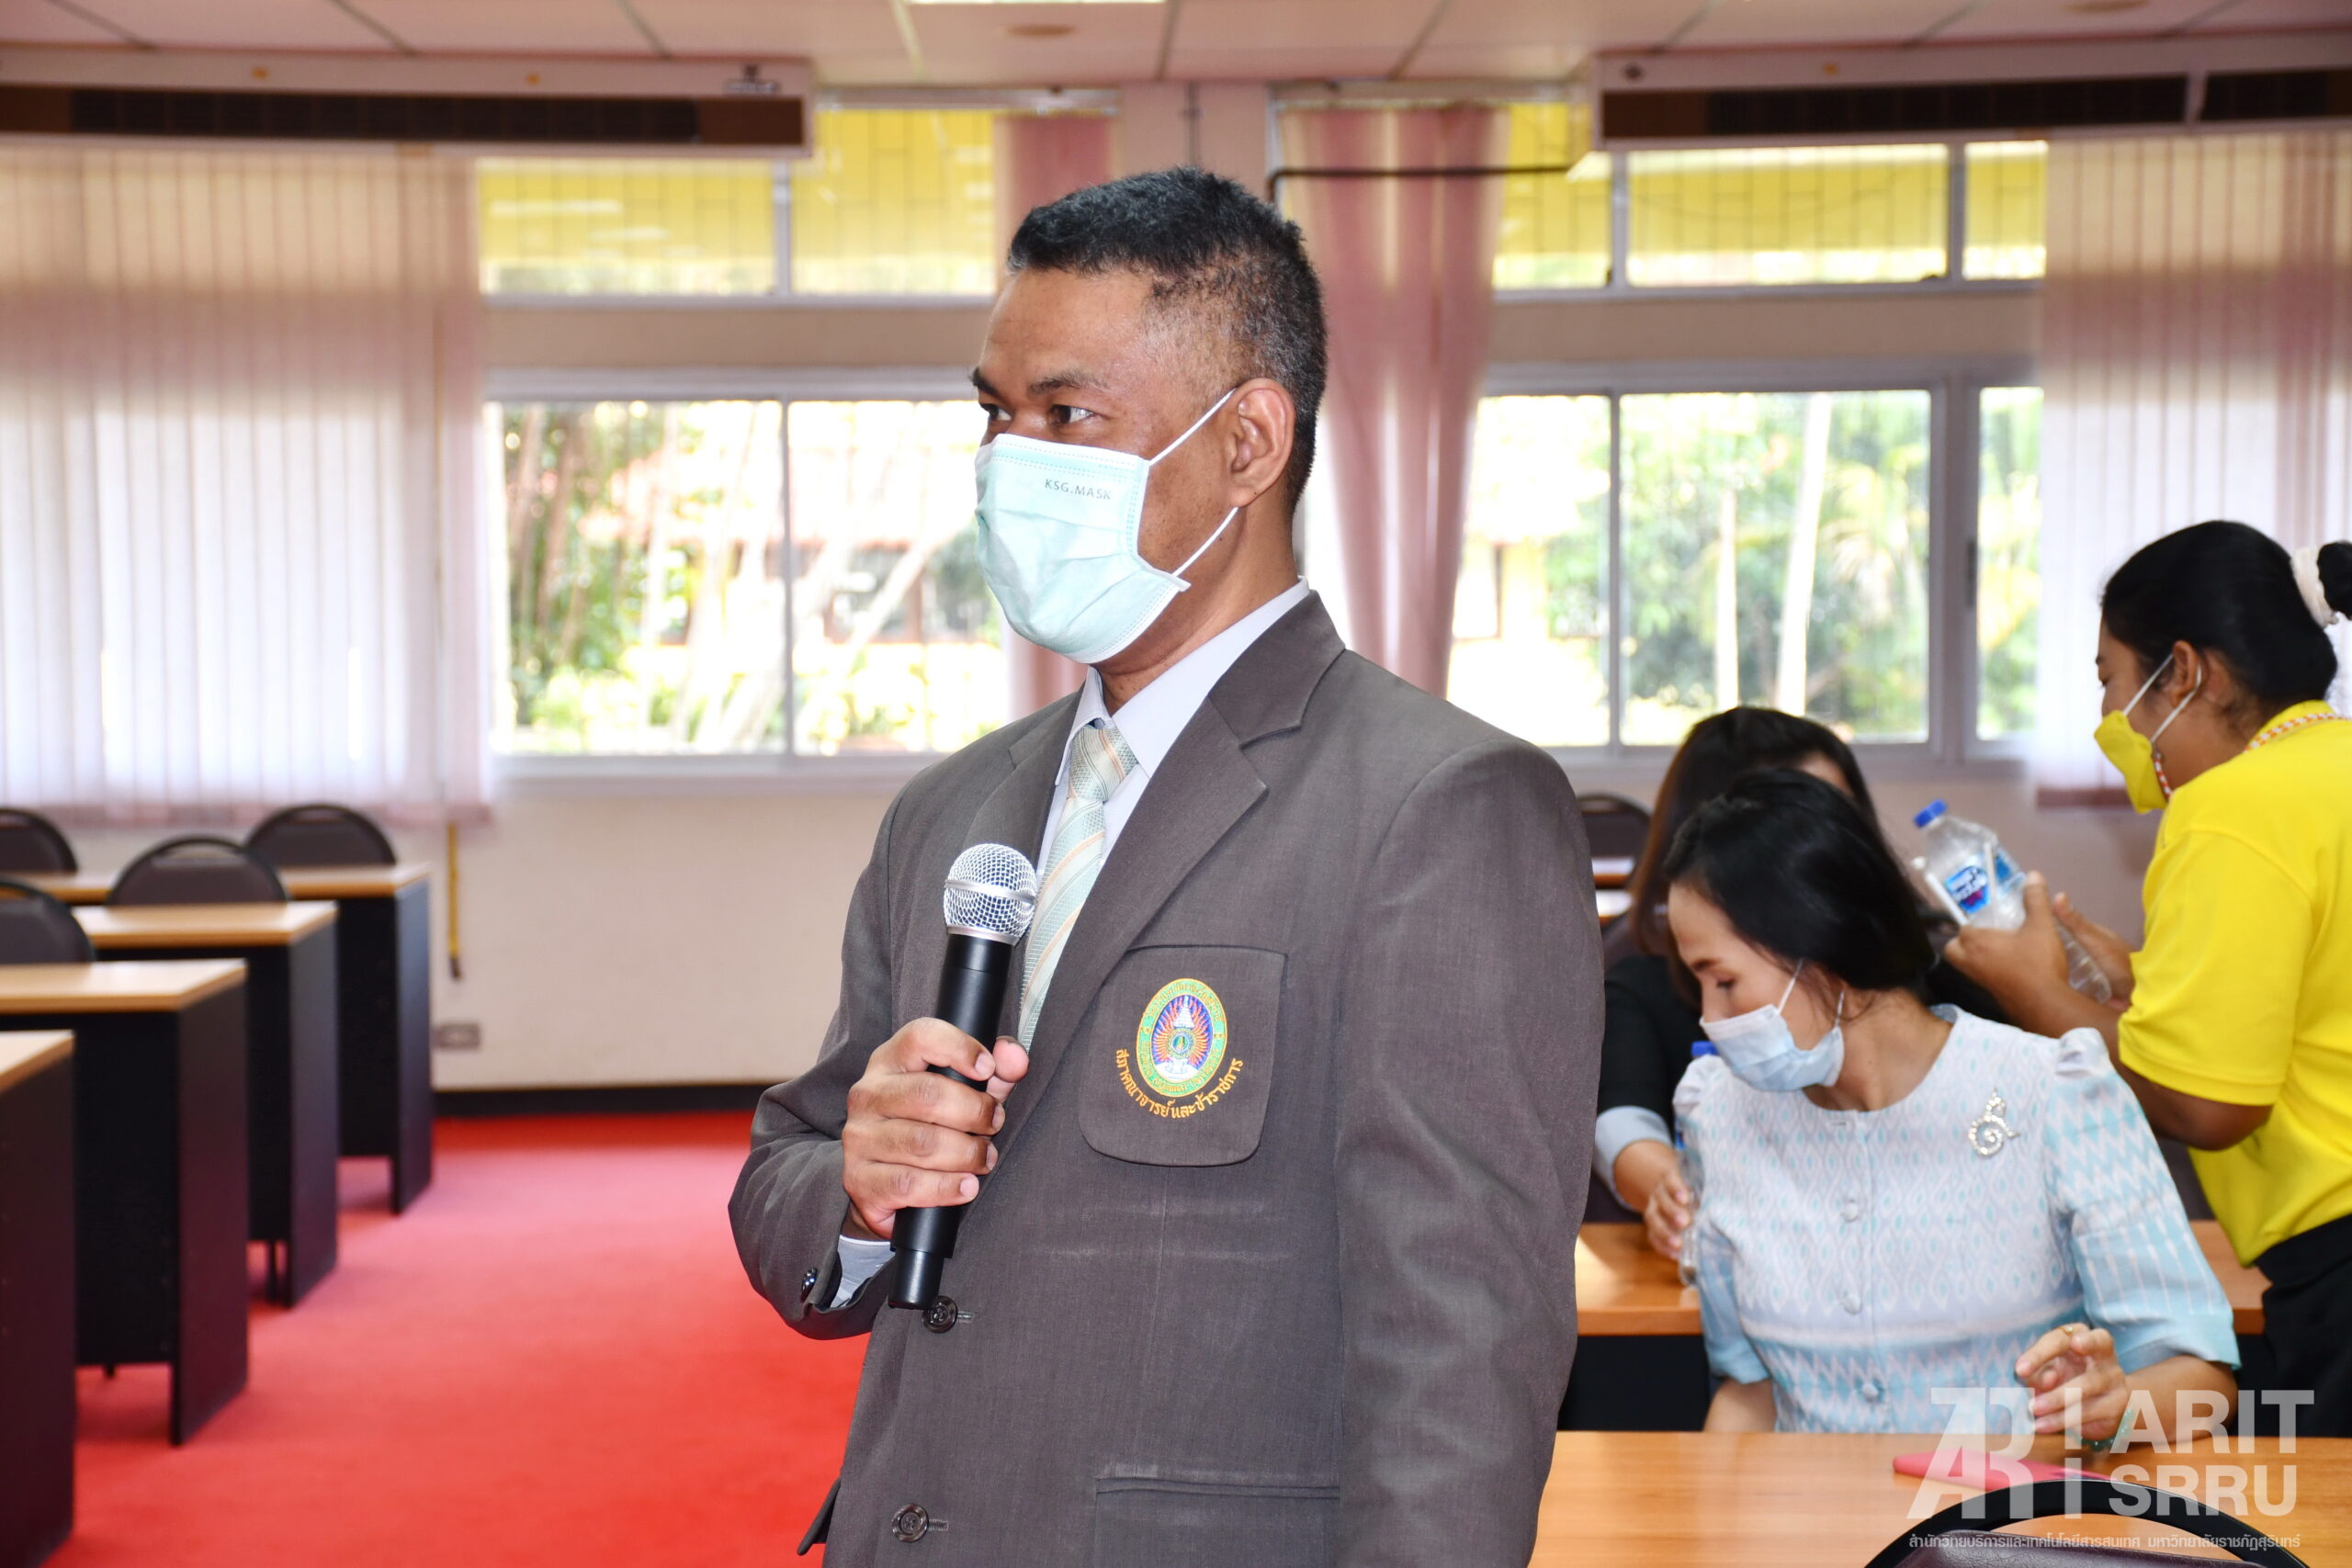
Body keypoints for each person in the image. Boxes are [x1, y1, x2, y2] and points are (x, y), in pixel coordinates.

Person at [729, 168, 1603, 1567]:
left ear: (1249, 441)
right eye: (994, 415)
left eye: (1068, 416)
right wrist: (859, 1183)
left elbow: (1462, 1342)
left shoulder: (1438, 808)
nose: (1011, 462)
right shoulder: (954, 810)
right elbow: (788, 1169)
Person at [1668, 770, 2238, 1444]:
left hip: (2014, 1507)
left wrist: (2117, 1405)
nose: (1711, 1018)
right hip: (1809, 1510)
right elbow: (1750, 1389)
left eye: (1724, 980)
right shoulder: (1722, 1115)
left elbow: (2203, 1382)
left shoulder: (2049, 1091)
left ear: (1822, 948)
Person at [1948, 522, 2352, 1435]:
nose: (2114, 721)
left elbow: (2209, 1104)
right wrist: (2144, 984)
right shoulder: (2329, 771)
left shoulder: (2230, 808)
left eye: (2111, 681)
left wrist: (2036, 996)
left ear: (2185, 672)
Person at [1598, 707, 2001, 1258]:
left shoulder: (1934, 976)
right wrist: (1675, 1191)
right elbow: (1621, 1126)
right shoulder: (1646, 992)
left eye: (1836, 816)